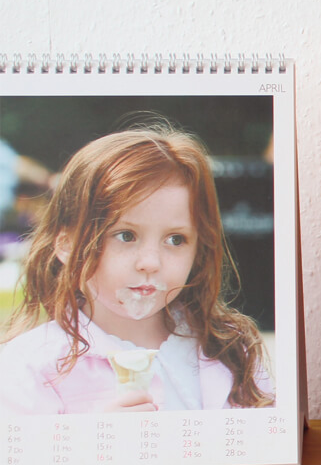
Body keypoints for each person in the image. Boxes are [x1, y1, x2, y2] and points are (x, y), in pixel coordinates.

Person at [0, 124, 273, 414]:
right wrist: (95, 447)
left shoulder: (229, 348)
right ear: (67, 244)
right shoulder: (31, 366)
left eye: (175, 239)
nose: (151, 262)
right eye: (126, 235)